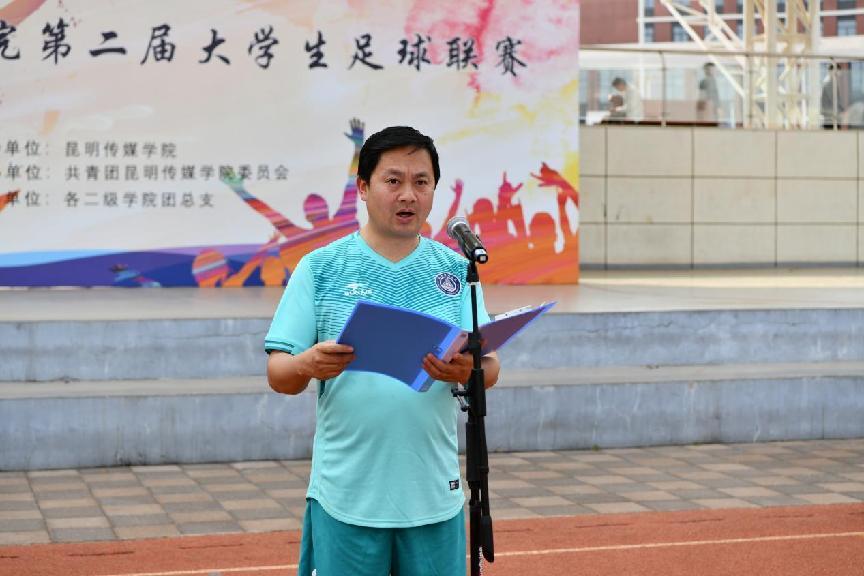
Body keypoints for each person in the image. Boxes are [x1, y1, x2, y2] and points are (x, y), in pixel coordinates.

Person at [264, 126, 501, 576]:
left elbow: (489, 367)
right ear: (363, 187)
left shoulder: (456, 271)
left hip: (432, 491)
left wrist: (467, 370)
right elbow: (279, 373)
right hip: (347, 493)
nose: (408, 194)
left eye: (421, 182)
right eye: (393, 181)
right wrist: (307, 363)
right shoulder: (321, 267)